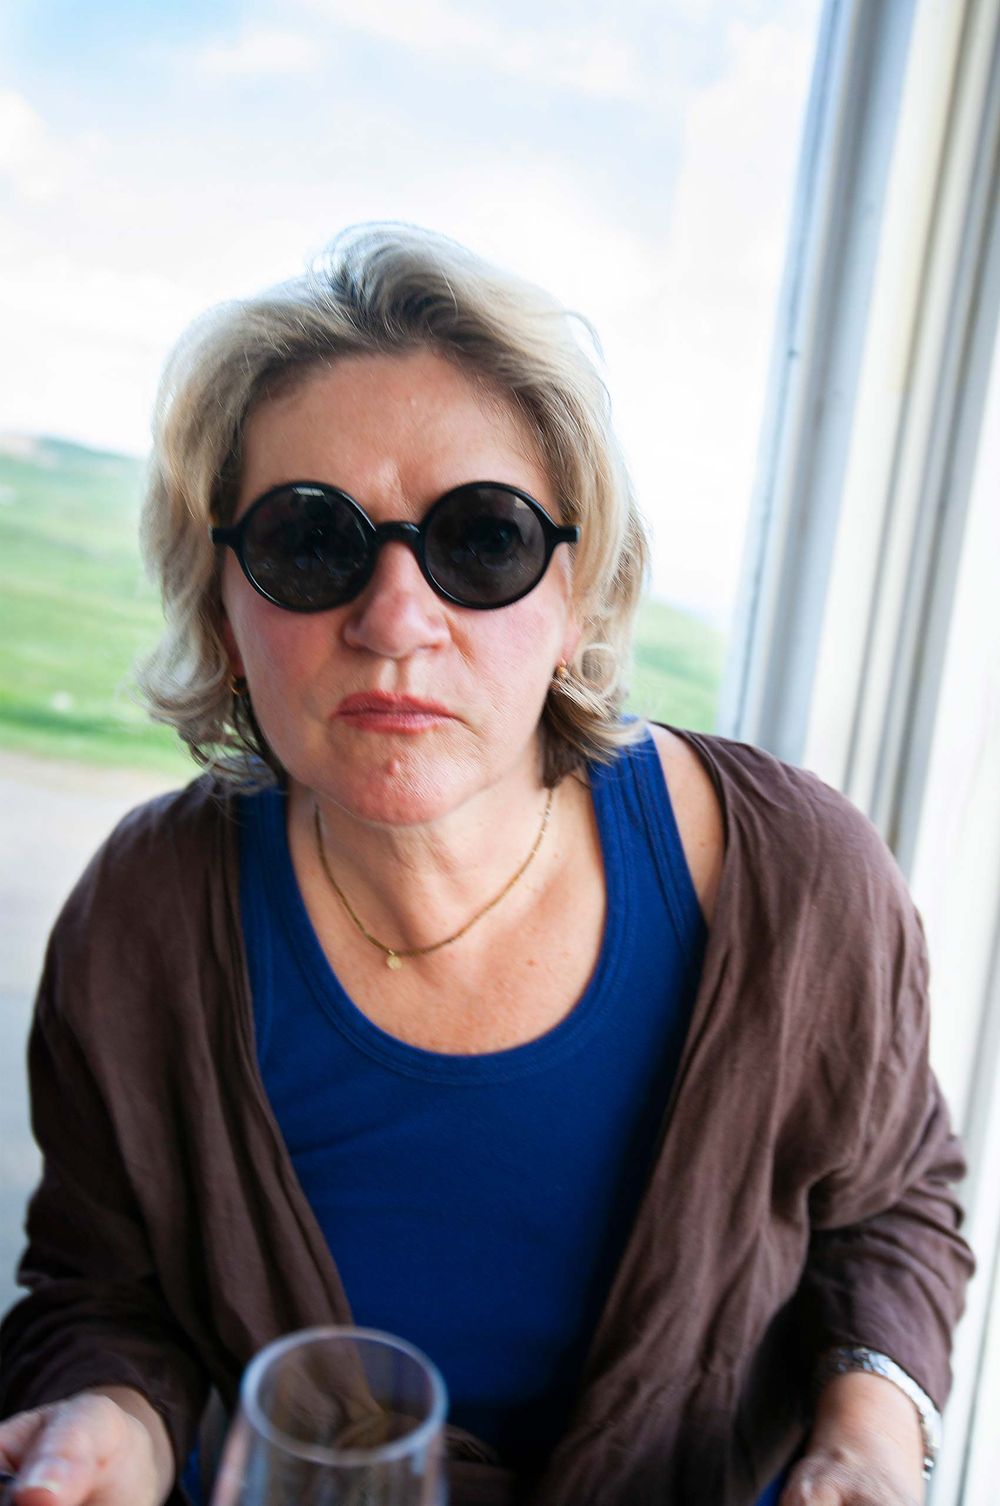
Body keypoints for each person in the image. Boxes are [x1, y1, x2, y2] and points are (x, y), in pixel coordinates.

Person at [0, 225, 973, 1506]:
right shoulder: (146, 916)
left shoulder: (793, 879)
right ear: (224, 608)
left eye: (482, 539)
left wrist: (868, 1437)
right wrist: (110, 1419)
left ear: (577, 597)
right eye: (309, 541)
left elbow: (891, 1206)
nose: (396, 619)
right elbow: (101, 1289)